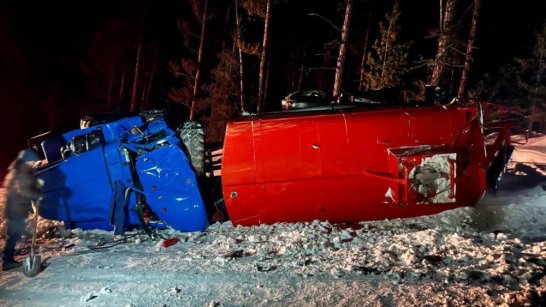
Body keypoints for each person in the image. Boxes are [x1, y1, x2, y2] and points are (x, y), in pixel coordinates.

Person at [1, 149, 43, 271]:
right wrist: (37, 193)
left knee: (15, 233)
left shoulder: (18, 170)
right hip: (16, 210)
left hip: (15, 209)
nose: (34, 164)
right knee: (13, 235)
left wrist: (35, 185)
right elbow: (24, 191)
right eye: (32, 162)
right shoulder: (22, 172)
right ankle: (7, 261)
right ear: (27, 161)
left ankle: (8, 259)